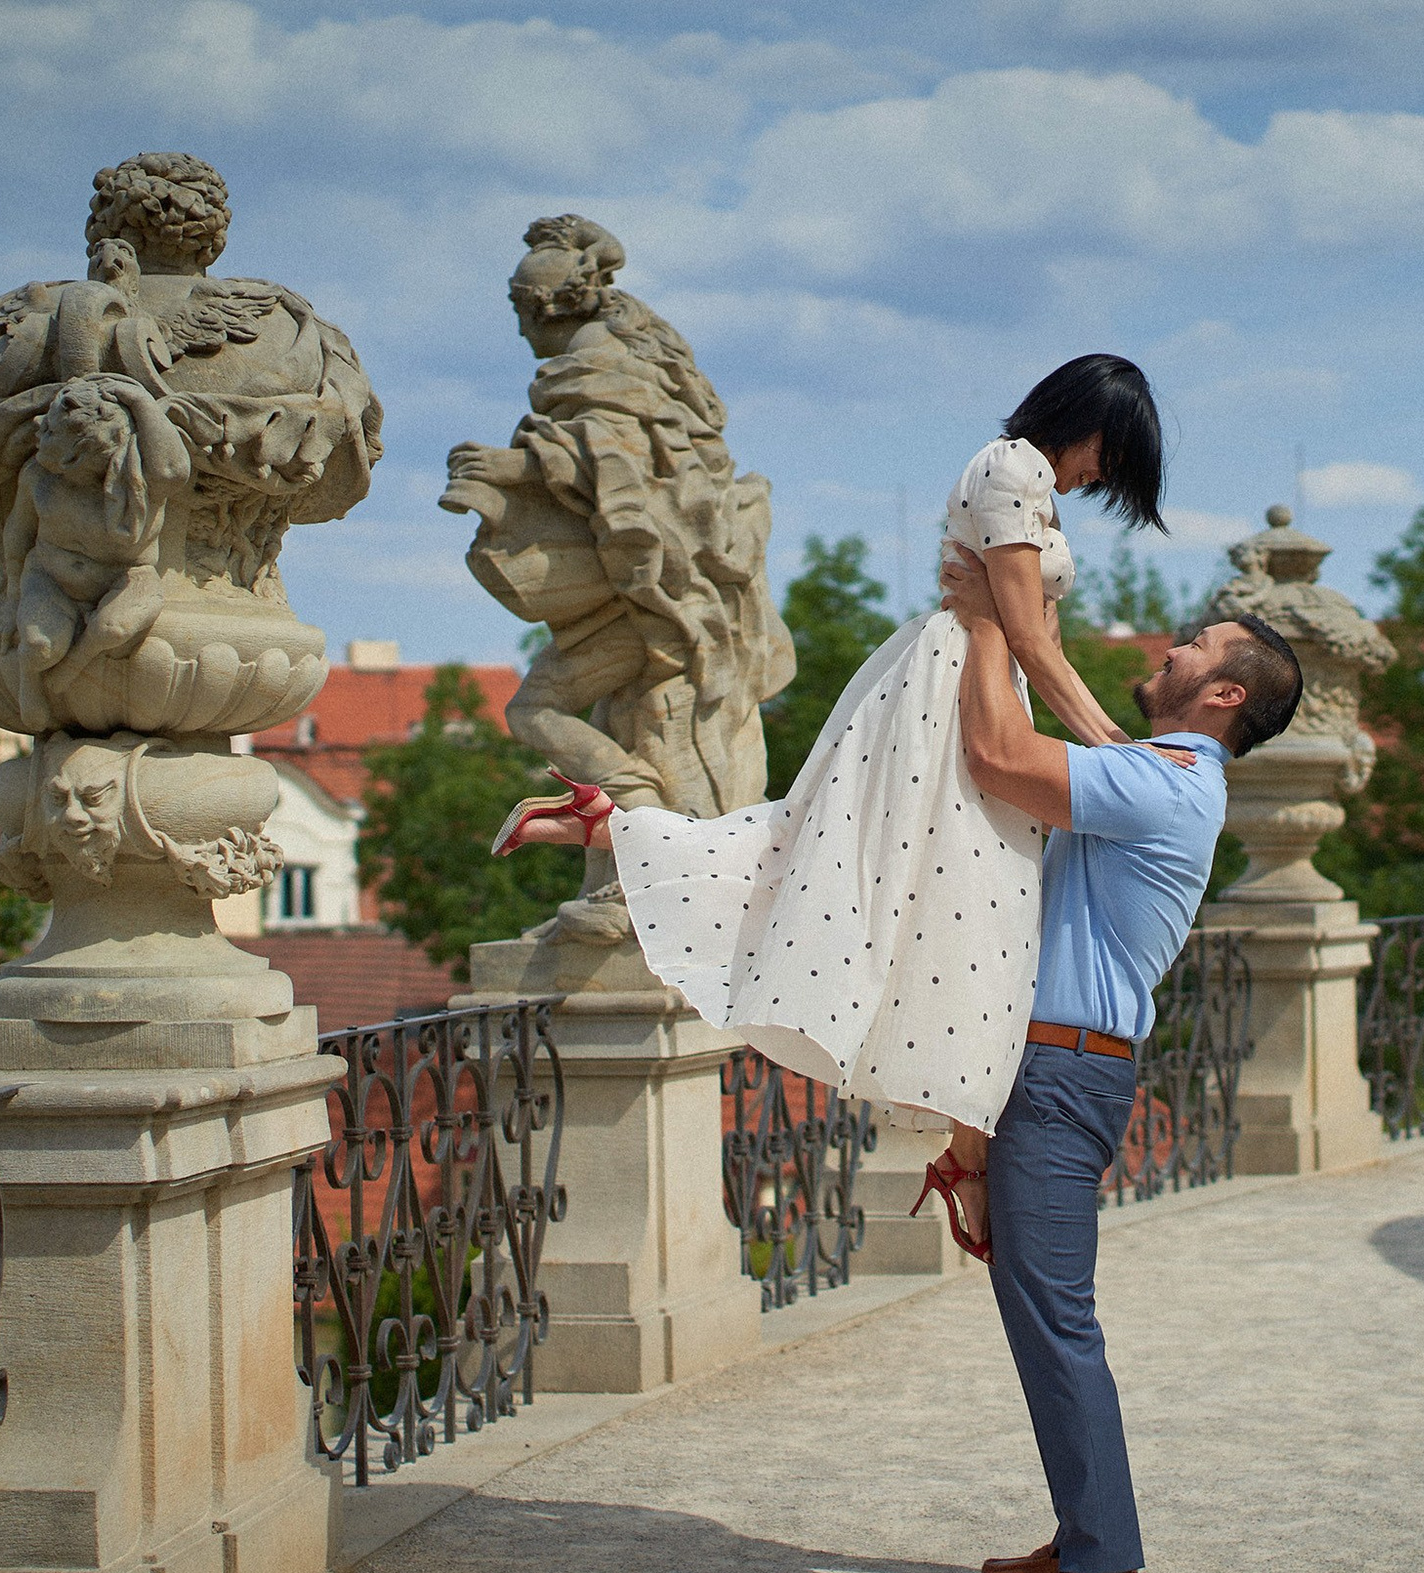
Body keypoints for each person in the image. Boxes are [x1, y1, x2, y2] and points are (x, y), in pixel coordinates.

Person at [494, 355, 1182, 1259]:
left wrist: (1108, 750)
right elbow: (1023, 636)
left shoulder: (1036, 490)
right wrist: (1119, 753)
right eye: (1109, 455)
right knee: (915, 899)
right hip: (954, 688)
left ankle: (607, 821)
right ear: (1086, 418)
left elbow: (1037, 641)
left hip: (984, 680)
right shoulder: (1010, 467)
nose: (1101, 477)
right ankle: (962, 1157)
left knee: (947, 911)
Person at [935, 545, 1301, 1573]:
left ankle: (1105, 1572)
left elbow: (996, 753)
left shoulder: (1168, 781)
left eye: (1194, 642)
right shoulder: (1162, 775)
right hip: (1046, 1070)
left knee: (1054, 1315)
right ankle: (1081, 1523)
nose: (1171, 644)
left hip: (1061, 1072)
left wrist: (990, 617)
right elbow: (1061, 752)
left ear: (1224, 693)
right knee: (1039, 1310)